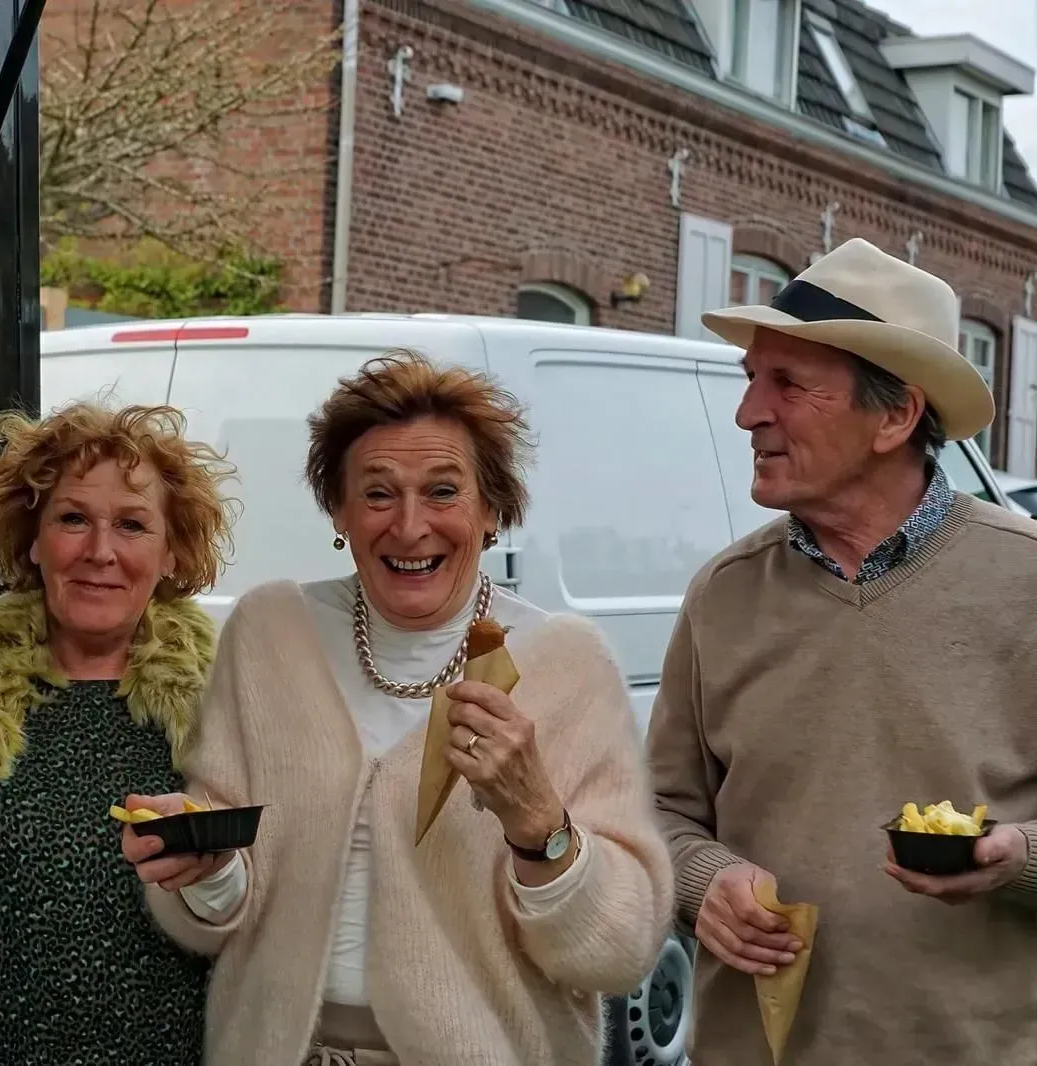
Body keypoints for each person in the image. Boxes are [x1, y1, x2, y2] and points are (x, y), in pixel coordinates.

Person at [119, 351, 673, 1065]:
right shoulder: (269, 633)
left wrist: (538, 824)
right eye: (377, 494)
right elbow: (221, 912)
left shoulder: (565, 664)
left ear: (492, 509)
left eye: (443, 492)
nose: (410, 527)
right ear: (340, 511)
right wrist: (203, 866)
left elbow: (618, 951)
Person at [646, 237, 1037, 1065]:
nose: (749, 412)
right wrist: (701, 884)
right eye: (751, 379)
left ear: (895, 416)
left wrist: (1019, 858)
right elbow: (661, 814)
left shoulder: (1026, 581)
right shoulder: (724, 594)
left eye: (787, 384)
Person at [0, 401, 237, 1066]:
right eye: (72, 519)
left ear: (172, 552)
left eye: (132, 524)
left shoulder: (227, 706)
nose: (100, 551)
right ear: (32, 540)